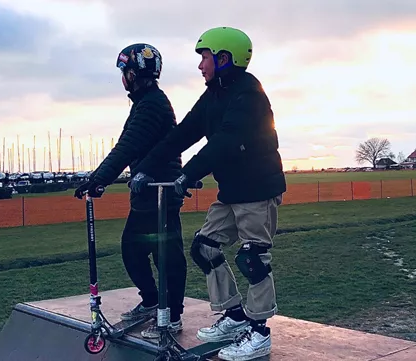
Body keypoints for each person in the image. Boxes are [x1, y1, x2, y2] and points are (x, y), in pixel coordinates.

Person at [129, 27, 286, 361]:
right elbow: (182, 134)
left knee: (253, 258)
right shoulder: (213, 95)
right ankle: (234, 315)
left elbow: (224, 142)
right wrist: (145, 166)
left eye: (205, 57)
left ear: (224, 58)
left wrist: (188, 174)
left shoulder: (249, 94)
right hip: (232, 192)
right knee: (204, 247)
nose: (201, 65)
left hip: (258, 190)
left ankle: (259, 333)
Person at [74, 43, 188, 339]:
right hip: (147, 192)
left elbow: (128, 146)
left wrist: (99, 179)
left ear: (133, 75)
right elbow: (129, 146)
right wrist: (99, 178)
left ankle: (172, 315)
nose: (122, 77)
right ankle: (152, 301)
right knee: (134, 248)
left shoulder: (152, 105)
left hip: (160, 193)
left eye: (124, 72)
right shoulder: (146, 102)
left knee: (167, 255)